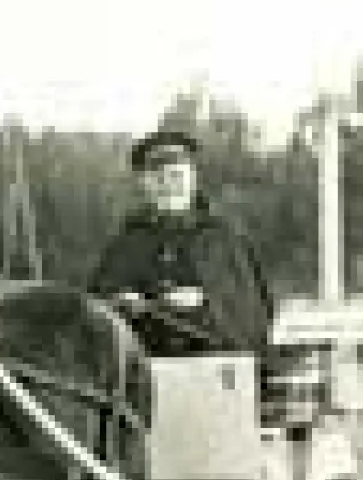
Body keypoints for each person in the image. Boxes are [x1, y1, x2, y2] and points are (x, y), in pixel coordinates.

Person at [88, 130, 273, 356]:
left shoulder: (225, 240)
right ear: (144, 184)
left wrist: (203, 305)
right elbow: (95, 315)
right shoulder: (125, 244)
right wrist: (121, 305)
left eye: (176, 176)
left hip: (216, 365)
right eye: (158, 178)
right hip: (143, 367)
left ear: (193, 179)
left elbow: (253, 317)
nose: (168, 186)